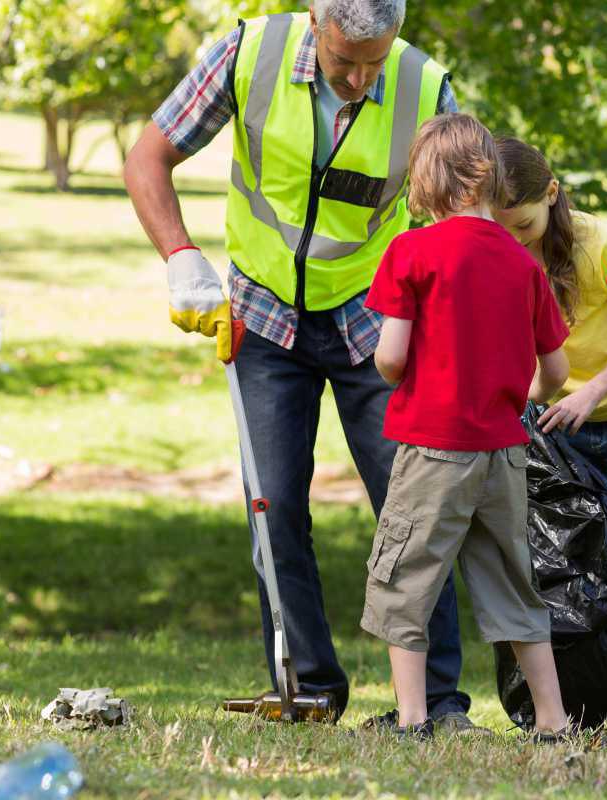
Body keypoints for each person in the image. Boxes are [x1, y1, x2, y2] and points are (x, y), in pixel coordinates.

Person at [122, 0, 479, 729]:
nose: (357, 78)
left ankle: (438, 702)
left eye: (373, 62)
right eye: (344, 58)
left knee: (414, 508)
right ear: (315, 20)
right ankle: (309, 685)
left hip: (376, 320)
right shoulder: (248, 53)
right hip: (263, 315)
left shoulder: (425, 87)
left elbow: (465, 219)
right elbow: (147, 156)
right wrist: (182, 258)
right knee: (274, 505)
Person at [360, 113, 572, 739]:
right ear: (491, 180)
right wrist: (514, 398)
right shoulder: (521, 263)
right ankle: (553, 721)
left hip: (433, 449)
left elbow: (391, 357)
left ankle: (413, 716)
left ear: (424, 183)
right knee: (514, 585)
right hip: (503, 453)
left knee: (406, 581)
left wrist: (400, 376)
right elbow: (555, 371)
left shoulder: (411, 251)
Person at [493, 137, 607, 557]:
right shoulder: (500, 256)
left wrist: (592, 393)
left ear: (552, 193)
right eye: (502, 229)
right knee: (571, 564)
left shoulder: (600, 242)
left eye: (524, 226)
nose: (516, 241)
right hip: (554, 427)